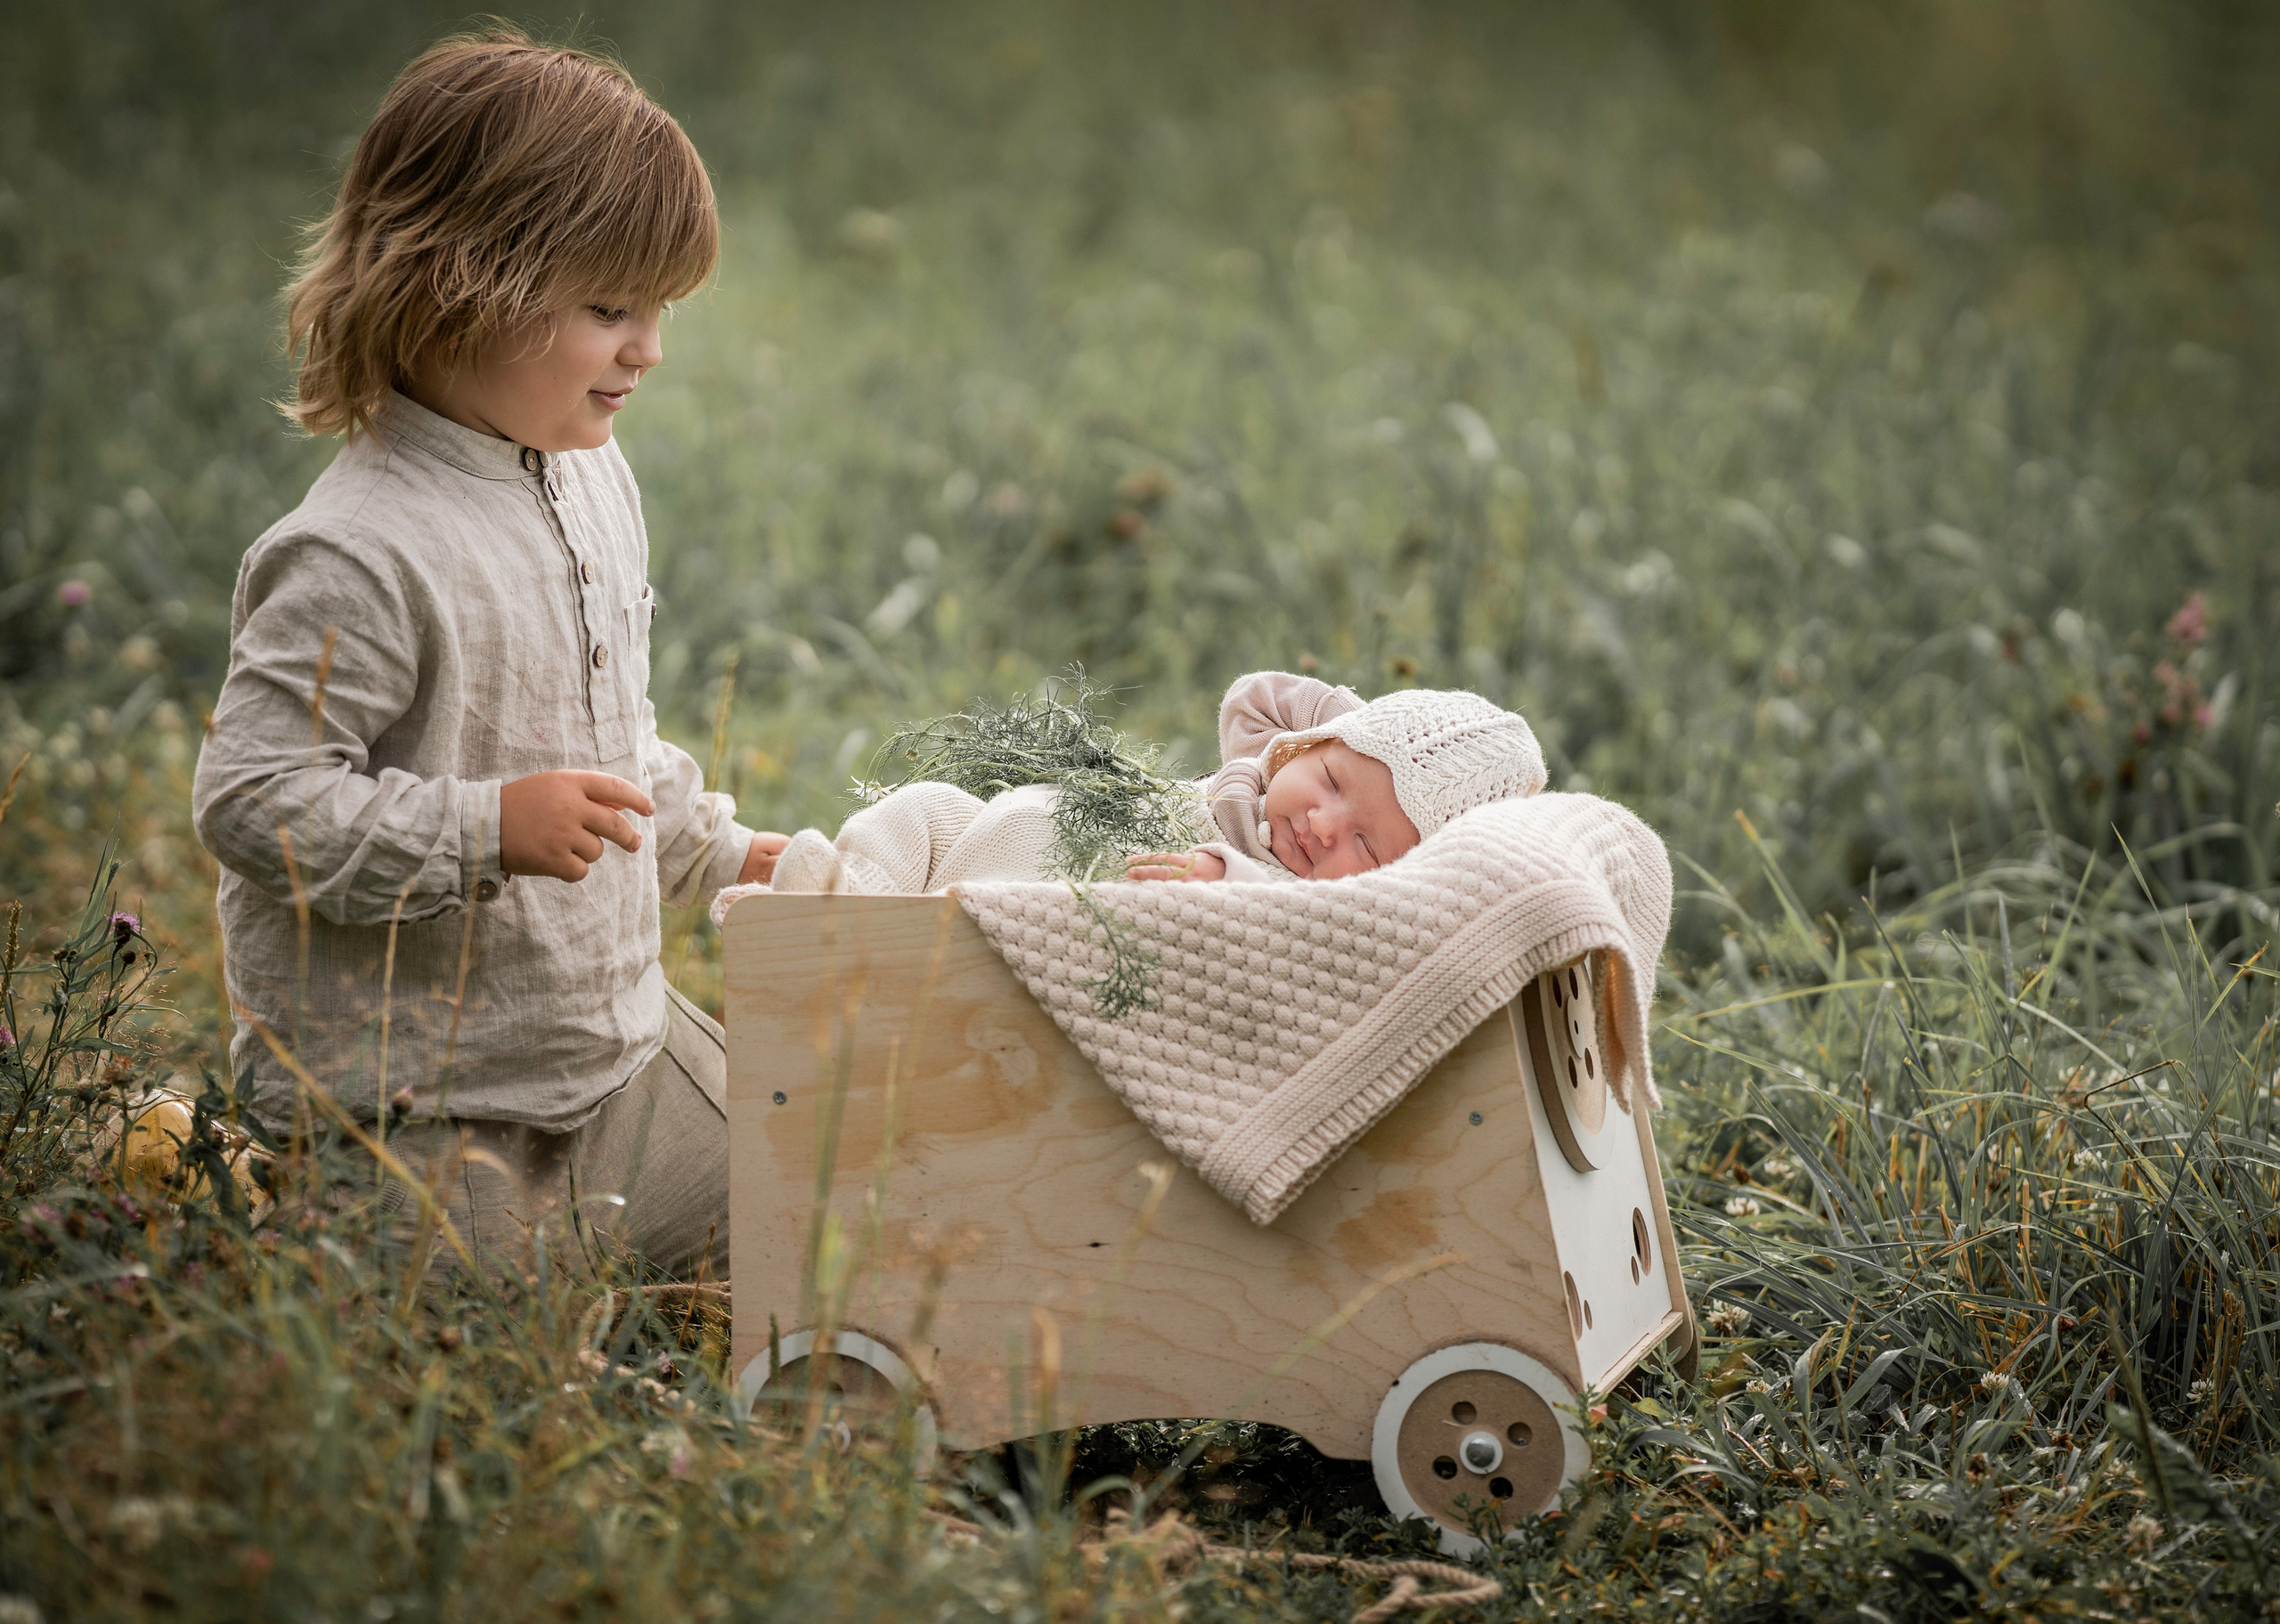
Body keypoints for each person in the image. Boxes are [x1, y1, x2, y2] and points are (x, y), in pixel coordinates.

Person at [191, 30, 780, 1279]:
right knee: (459, 1350)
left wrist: (715, 850)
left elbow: (608, 725)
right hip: (418, 1091)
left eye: (658, 310)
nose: (650, 350)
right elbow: (254, 801)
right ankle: (253, 1182)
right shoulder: (358, 551)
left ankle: (619, 1208)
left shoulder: (589, 474)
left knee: (816, 1188)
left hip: (604, 1053)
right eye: (611, 309)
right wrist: (482, 830)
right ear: (460, 285)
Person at [736, 675, 1545, 898]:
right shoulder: (1245, 787)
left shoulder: (1276, 893)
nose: (1326, 824)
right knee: (924, 809)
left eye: (1368, 843)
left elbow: (1271, 933)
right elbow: (1258, 699)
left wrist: (1220, 882)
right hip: (985, 837)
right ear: (1302, 748)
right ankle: (844, 901)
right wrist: (1343, 723)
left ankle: (843, 939)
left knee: (959, 914)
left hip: (1023, 912)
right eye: (1330, 779)